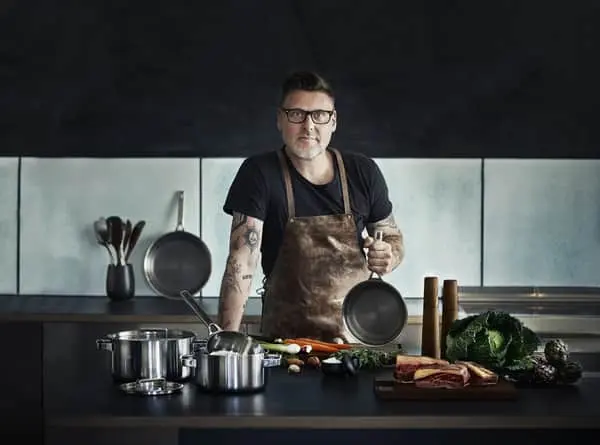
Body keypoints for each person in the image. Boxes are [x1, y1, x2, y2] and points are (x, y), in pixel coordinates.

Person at [216, 71, 404, 342]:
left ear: (333, 121)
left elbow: (393, 236)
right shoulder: (259, 174)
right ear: (280, 119)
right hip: (284, 345)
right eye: (296, 114)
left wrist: (389, 256)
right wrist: (226, 341)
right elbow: (241, 260)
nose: (308, 126)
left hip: (355, 344)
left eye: (319, 115)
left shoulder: (363, 172)